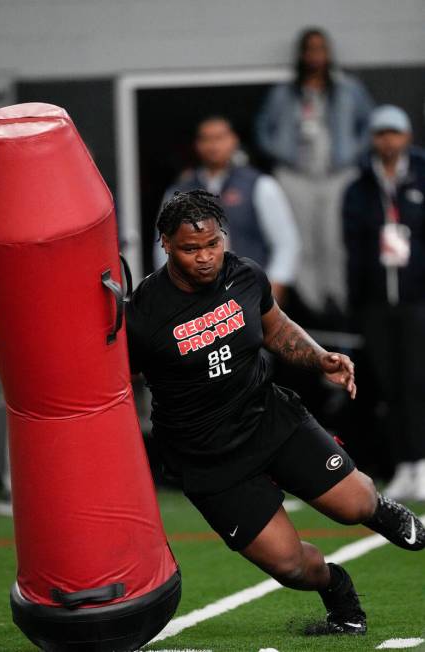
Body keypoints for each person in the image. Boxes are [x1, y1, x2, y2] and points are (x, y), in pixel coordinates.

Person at [126, 189, 425, 636]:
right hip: (207, 456)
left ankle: (381, 508)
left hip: (269, 417)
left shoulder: (245, 276)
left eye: (212, 244)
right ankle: (338, 588)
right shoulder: (142, 313)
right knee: (290, 566)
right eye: (191, 249)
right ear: (165, 244)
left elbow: (276, 326)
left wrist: (319, 357)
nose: (205, 257)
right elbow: (108, 391)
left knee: (355, 503)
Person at [256, 27, 373, 326]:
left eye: (321, 49)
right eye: (310, 49)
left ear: (329, 53)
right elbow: (262, 130)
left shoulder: (349, 89)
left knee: (334, 237)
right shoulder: (283, 91)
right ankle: (310, 302)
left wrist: (351, 157)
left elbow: (367, 126)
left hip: (336, 174)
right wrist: (283, 155)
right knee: (301, 237)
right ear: (301, 54)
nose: (315, 56)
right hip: (296, 175)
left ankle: (335, 297)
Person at [343, 105, 425, 501]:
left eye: (394, 132)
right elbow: (353, 245)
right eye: (380, 134)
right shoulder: (359, 186)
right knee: (389, 384)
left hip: (416, 298)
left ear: (406, 136)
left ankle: (421, 462)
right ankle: (404, 465)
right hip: (376, 301)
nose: (387, 140)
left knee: (416, 380)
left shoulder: (421, 177)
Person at [153, 116, 300, 306]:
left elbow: (286, 243)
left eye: (220, 138)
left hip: (250, 291)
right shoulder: (179, 191)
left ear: (234, 140)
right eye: (206, 139)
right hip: (196, 298)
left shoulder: (259, 184)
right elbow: (162, 247)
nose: (213, 145)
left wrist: (273, 289)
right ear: (197, 145)